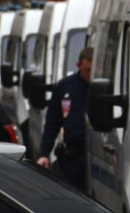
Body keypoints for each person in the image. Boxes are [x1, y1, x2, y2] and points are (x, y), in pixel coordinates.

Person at [37, 47, 93, 191]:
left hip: (96, 155)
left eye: (94, 71)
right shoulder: (66, 87)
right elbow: (53, 122)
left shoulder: (102, 87)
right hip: (74, 155)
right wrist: (44, 153)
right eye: (87, 71)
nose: (91, 75)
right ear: (78, 66)